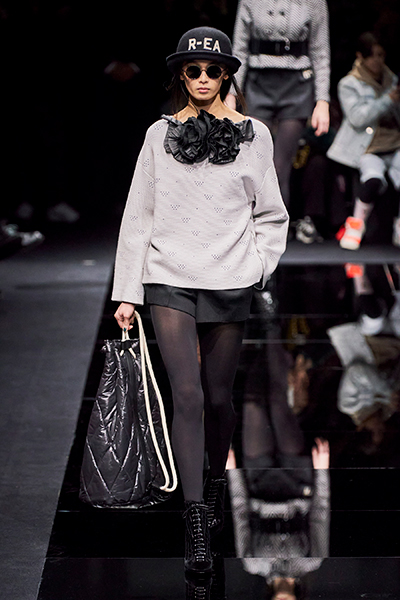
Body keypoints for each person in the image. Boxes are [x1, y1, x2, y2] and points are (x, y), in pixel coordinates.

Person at [111, 26, 289, 576]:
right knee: (185, 395)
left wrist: (258, 266)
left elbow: (271, 212)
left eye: (214, 70)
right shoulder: (157, 135)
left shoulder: (256, 135)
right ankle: (194, 519)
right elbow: (138, 215)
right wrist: (127, 292)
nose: (205, 78)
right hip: (168, 275)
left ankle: (213, 483)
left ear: (227, 74)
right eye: (195, 70)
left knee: (217, 398)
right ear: (180, 76)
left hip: (230, 276)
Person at [225, 0, 330, 226]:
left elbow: (320, 52)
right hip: (258, 83)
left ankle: (275, 231)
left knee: (280, 167)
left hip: (297, 85)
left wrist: (322, 101)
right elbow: (240, 48)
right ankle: (246, 230)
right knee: (253, 162)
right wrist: (232, 93)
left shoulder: (314, 2)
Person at [327, 32, 400, 250]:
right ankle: (355, 226)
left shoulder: (392, 80)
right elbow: (358, 118)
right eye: (372, 55)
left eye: (381, 55)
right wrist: (389, 99)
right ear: (361, 56)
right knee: (372, 181)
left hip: (395, 144)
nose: (377, 60)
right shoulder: (349, 84)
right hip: (368, 147)